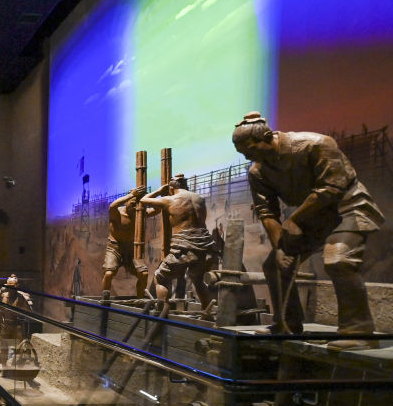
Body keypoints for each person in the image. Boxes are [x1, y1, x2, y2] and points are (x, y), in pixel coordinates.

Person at [232, 111, 385, 349]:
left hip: (347, 208)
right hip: (313, 217)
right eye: (243, 153)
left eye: (251, 150)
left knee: (339, 260)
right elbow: (266, 212)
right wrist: (280, 247)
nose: (248, 157)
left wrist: (294, 220)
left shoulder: (316, 144)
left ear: (268, 137)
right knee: (276, 265)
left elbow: (332, 188)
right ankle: (287, 325)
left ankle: (359, 332)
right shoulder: (258, 172)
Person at [140, 174, 218, 315]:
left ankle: (163, 311)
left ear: (171, 188)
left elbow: (143, 200)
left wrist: (159, 191)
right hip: (203, 247)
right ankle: (207, 314)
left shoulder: (171, 199)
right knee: (198, 281)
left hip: (183, 248)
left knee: (160, 277)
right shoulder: (200, 199)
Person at [102, 186, 158, 297]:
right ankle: (105, 297)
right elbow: (112, 206)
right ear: (127, 201)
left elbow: (157, 210)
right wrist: (131, 195)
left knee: (143, 274)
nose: (135, 207)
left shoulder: (139, 213)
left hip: (131, 249)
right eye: (132, 204)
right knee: (109, 273)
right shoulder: (117, 212)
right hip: (115, 248)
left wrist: (153, 196)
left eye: (137, 204)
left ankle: (140, 299)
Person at [0, 274, 32, 346]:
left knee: (20, 336)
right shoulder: (2, 295)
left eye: (12, 287)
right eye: (9, 287)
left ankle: (20, 349)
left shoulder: (20, 297)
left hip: (15, 322)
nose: (10, 289)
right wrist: (0, 313)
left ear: (16, 286)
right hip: (3, 322)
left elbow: (28, 310)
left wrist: (20, 313)